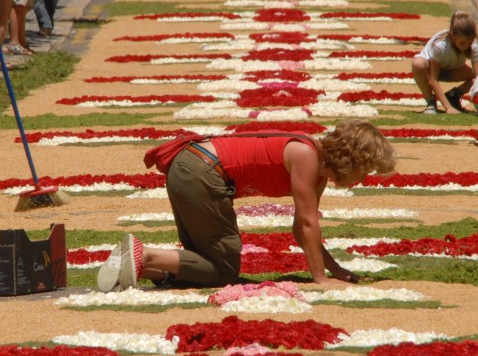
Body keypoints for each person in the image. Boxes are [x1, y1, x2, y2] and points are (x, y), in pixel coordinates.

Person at [97, 121, 397, 291]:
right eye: (366, 170)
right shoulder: (307, 157)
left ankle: (140, 267)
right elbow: (307, 223)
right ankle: (144, 253)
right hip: (201, 172)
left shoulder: (316, 169)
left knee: (205, 264)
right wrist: (320, 279)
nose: (363, 179)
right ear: (353, 159)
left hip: (190, 168)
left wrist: (335, 269)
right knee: (224, 271)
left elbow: (301, 230)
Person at [412, 10, 478, 114]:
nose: (466, 46)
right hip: (429, 70)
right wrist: (447, 108)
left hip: (451, 69)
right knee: (418, 64)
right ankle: (431, 102)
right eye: (462, 43)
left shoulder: (473, 46)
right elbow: (433, 79)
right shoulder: (441, 46)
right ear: (453, 36)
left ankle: (453, 95)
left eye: (469, 43)